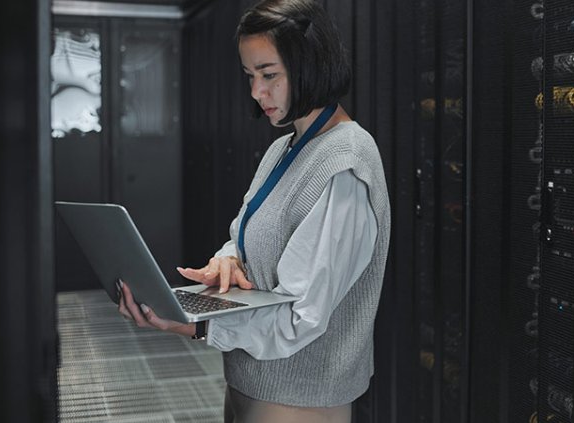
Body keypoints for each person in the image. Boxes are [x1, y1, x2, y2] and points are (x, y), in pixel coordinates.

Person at [117, 0, 390, 421]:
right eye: (249, 76)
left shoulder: (345, 163)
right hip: (249, 380)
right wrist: (227, 260)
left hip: (300, 399)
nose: (255, 92)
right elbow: (250, 231)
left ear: (312, 65)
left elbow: (302, 317)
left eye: (269, 75)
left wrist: (197, 325)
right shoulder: (284, 148)